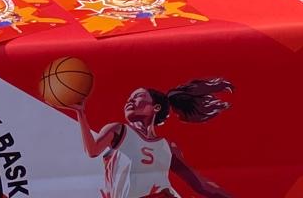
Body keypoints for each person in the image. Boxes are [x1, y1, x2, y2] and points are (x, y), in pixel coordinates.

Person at [67, 80, 234, 198]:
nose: (130, 101)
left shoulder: (167, 147)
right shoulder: (119, 130)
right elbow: (92, 150)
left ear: (156, 107)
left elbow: (201, 185)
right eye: (129, 98)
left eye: (138, 96)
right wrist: (81, 113)